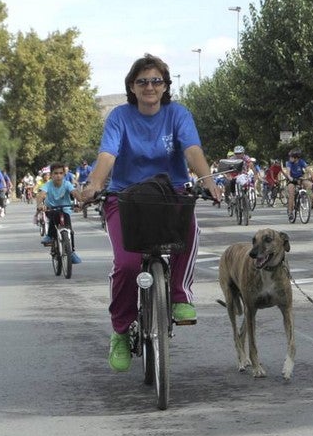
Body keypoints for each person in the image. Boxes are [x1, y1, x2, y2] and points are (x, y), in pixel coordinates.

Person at [80, 54, 222, 373]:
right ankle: (120, 331)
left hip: (170, 193)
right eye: (142, 81)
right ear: (132, 86)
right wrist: (94, 184)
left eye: (156, 80)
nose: (150, 86)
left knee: (190, 232)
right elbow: (107, 155)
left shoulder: (178, 114)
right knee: (128, 264)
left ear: (165, 86)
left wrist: (208, 180)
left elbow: (192, 150)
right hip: (125, 197)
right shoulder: (119, 117)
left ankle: (180, 295)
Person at [37, 162, 81, 264]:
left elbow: (74, 193)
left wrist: (80, 201)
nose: (58, 176)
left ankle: (72, 252)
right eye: (55, 173)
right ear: (51, 175)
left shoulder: (67, 184)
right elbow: (41, 195)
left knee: (70, 230)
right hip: (51, 209)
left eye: (61, 173)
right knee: (55, 214)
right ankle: (49, 235)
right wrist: (40, 204)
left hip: (65, 210)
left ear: (64, 174)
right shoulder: (47, 185)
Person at [283, 148, 309, 221]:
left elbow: (308, 169)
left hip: (300, 179)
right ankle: (290, 212)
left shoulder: (301, 162)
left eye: (291, 157)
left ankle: (305, 197)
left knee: (309, 184)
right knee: (291, 194)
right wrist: (290, 178)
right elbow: (288, 172)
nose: (290, 158)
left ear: (295, 157)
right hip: (292, 180)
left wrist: (312, 176)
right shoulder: (289, 163)